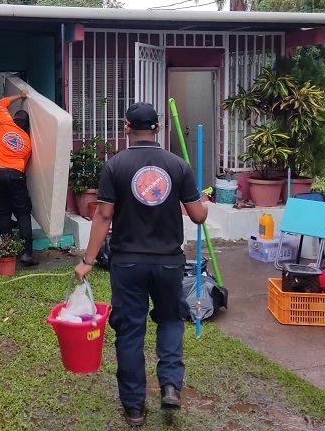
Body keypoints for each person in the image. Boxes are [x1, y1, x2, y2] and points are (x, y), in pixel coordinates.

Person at [74, 102, 208, 427]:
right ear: (158, 128)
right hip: (168, 263)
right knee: (171, 321)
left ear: (126, 126)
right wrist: (201, 200)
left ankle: (134, 408)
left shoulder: (115, 165)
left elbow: (103, 215)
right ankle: (171, 386)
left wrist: (88, 261)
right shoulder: (178, 166)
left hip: (127, 263)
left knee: (130, 332)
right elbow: (198, 215)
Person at [0, 89, 38, 266]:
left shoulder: (6, 123)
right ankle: (27, 254)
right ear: (27, 126)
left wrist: (20, 96)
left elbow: (0, 103)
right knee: (23, 213)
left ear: (15, 120)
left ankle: (6, 252)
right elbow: (24, 166)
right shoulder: (28, 143)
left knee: (4, 212)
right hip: (15, 176)